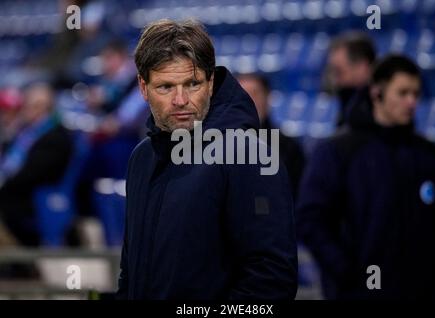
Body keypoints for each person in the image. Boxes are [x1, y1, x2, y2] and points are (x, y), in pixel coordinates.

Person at [116, 19, 298, 300]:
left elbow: (271, 281)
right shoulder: (141, 157)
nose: (180, 100)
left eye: (192, 84)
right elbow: (130, 271)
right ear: (143, 87)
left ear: (210, 82)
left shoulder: (250, 155)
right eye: (165, 87)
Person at [297, 55, 435, 299]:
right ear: (377, 93)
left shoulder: (427, 154)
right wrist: (346, 271)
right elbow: (311, 219)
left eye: (416, 94)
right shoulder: (338, 151)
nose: (411, 102)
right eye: (402, 93)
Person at [0, 83, 73, 246]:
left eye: (25, 105)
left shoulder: (55, 136)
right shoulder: (28, 132)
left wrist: (4, 183)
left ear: (40, 107)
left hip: (35, 198)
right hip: (19, 191)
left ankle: (20, 263)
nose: (22, 110)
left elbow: (32, 174)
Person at [237, 73, 305, 202]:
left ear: (267, 98)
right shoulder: (217, 148)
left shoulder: (288, 149)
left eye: (255, 93)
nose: (249, 100)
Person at [325, 31, 376, 127]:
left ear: (362, 67)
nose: (334, 80)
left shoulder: (379, 111)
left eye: (339, 72)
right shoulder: (347, 101)